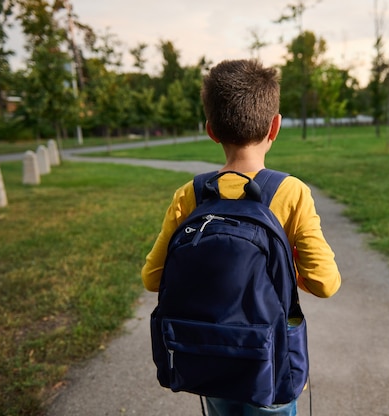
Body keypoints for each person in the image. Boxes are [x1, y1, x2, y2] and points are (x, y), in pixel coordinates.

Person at [141, 59, 341, 416]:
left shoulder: (190, 195)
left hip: (208, 361)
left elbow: (152, 279)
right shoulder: (291, 192)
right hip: (271, 368)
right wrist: (281, 274)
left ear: (211, 130)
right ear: (274, 126)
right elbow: (325, 283)